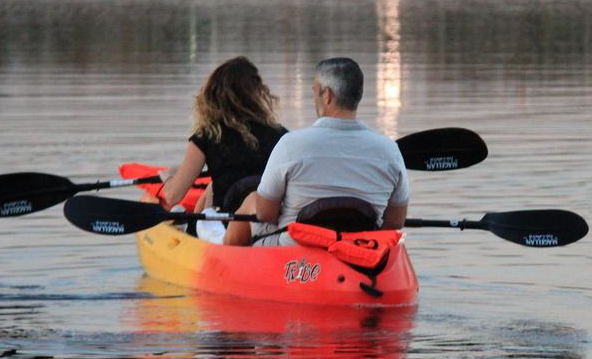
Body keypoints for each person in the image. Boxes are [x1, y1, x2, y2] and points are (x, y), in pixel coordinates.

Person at [224, 57, 408, 246]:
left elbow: (265, 214)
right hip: (359, 252)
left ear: (327, 95)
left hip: (294, 254)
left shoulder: (290, 144)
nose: (313, 99)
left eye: (314, 92)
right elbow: (396, 221)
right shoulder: (389, 150)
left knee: (253, 200)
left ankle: (225, 264)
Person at [158, 56, 287, 215]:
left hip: (227, 223)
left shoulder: (208, 135)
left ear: (213, 95)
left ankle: (186, 226)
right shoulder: (279, 134)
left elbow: (173, 196)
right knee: (211, 187)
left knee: (207, 190)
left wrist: (168, 178)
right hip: (267, 219)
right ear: (257, 92)